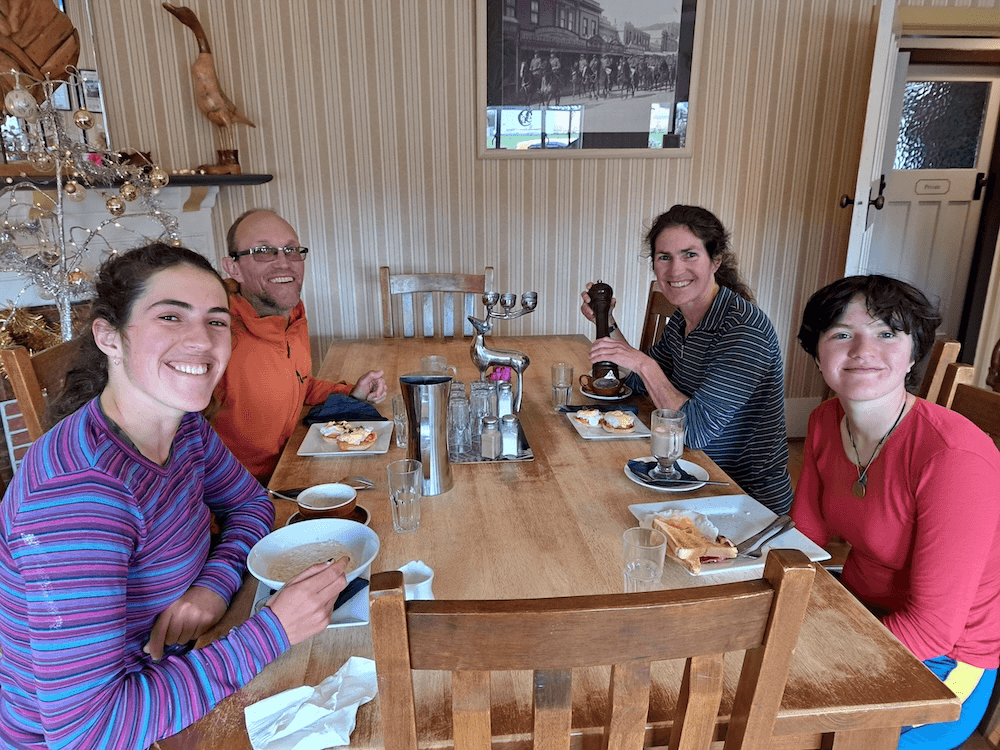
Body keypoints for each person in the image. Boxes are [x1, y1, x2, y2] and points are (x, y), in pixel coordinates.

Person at [0, 243, 350, 749]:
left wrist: (212, 587)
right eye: (170, 316)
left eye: (216, 321)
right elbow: (87, 732)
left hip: (188, 663)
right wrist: (274, 630)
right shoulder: (77, 495)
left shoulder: (184, 427)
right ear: (109, 337)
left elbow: (251, 504)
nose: (202, 341)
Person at [793, 274, 1000, 750]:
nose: (863, 350)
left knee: (788, 731)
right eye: (841, 333)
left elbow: (932, 628)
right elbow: (804, 541)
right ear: (818, 353)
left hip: (944, 660)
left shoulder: (953, 458)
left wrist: (812, 654)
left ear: (912, 354)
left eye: (887, 333)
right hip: (859, 611)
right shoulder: (825, 420)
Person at [580, 205, 793, 514]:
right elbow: (640, 381)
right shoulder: (684, 318)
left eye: (690, 255)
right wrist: (606, 320)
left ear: (716, 261)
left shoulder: (743, 330)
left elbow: (693, 430)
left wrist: (643, 364)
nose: (675, 271)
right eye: (664, 257)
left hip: (742, 499)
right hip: (689, 473)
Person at [211, 209, 387, 483]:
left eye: (291, 250)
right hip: (244, 492)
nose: (284, 263)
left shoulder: (291, 316)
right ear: (233, 268)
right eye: (263, 251)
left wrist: (351, 392)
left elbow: (294, 383)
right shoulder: (215, 337)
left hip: (294, 464)